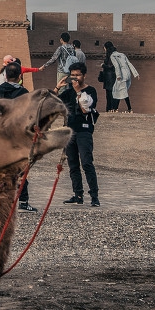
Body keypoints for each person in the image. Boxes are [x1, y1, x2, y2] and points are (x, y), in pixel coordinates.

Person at [0, 62, 36, 212]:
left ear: (5, 75)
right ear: (19, 76)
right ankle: (23, 201)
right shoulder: (24, 93)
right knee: (21, 170)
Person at [57, 62, 100, 206]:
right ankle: (78, 195)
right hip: (70, 131)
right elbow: (52, 102)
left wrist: (78, 92)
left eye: (78, 75)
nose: (75, 78)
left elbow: (85, 110)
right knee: (73, 164)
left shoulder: (91, 91)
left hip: (84, 131)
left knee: (86, 163)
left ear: (84, 75)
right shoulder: (68, 91)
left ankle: (94, 196)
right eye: (73, 75)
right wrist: (58, 87)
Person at [106, 41, 138, 112]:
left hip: (122, 75)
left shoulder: (112, 56)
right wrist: (135, 74)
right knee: (119, 90)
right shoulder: (122, 54)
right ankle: (115, 108)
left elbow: (117, 66)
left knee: (121, 91)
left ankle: (129, 108)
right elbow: (129, 63)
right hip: (128, 74)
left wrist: (118, 75)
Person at [98, 44, 118, 111]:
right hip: (112, 78)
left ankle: (110, 109)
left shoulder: (111, 56)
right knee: (111, 95)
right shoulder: (116, 56)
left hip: (109, 78)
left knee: (109, 95)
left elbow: (110, 67)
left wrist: (103, 65)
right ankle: (112, 109)